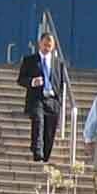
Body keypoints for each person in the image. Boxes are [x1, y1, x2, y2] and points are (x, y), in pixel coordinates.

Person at [17, 30, 66, 164]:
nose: (46, 48)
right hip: (37, 98)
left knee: (49, 130)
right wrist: (32, 82)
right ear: (40, 44)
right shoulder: (30, 60)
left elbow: (60, 82)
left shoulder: (58, 63)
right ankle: (37, 152)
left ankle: (45, 156)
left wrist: (59, 99)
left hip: (52, 99)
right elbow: (20, 79)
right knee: (38, 122)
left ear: (53, 46)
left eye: (49, 46)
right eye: (44, 45)